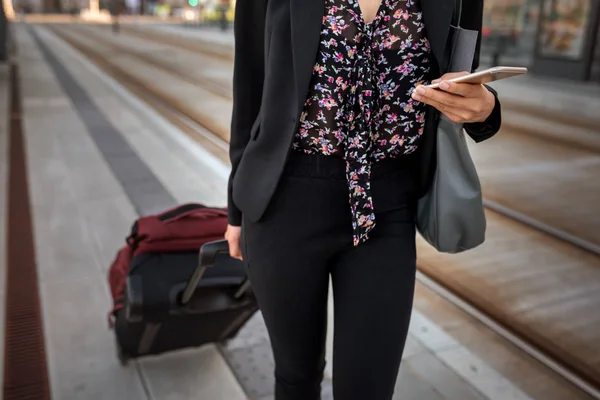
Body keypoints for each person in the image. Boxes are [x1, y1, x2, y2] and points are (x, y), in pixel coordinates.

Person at [225, 0, 501, 399]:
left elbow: (463, 84)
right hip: (284, 203)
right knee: (296, 376)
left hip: (388, 207)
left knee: (369, 389)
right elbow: (249, 88)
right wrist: (236, 212)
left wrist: (486, 108)